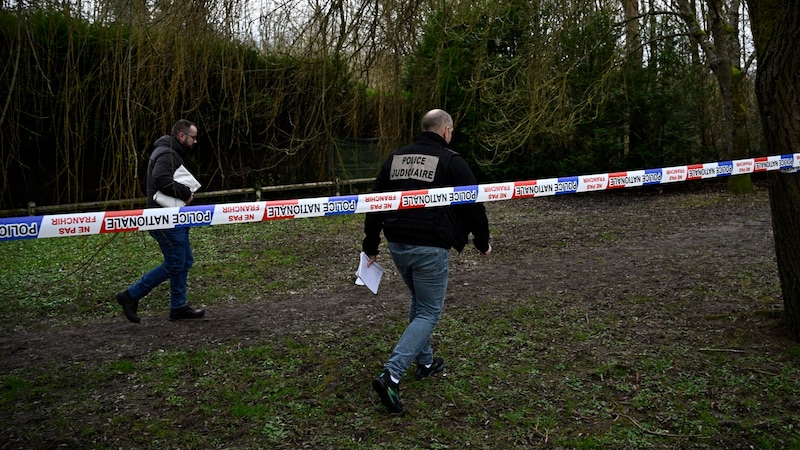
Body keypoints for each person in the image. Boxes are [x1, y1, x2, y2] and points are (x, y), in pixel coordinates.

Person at [363, 109, 492, 414]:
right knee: (429, 312)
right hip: (430, 247)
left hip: (396, 244)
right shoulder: (451, 160)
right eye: (452, 131)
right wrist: (482, 241)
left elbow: (374, 202)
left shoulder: (395, 159)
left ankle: (426, 362)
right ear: (445, 131)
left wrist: (371, 244)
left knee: (419, 303)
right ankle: (391, 375)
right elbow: (473, 203)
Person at [115, 119, 206, 323]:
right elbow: (161, 180)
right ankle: (130, 296)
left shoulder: (171, 152)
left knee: (184, 261)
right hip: (164, 219)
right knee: (176, 262)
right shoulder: (167, 154)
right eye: (193, 137)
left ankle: (178, 307)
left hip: (173, 217)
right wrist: (186, 194)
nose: (195, 142)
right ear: (181, 136)